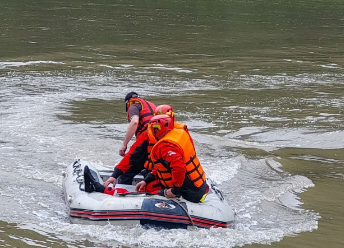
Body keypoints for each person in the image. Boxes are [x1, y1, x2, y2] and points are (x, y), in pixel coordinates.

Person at [85, 105, 177, 194]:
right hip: (157, 174)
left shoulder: (176, 140)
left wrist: (174, 190)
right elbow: (132, 155)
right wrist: (115, 174)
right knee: (133, 180)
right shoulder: (147, 135)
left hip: (173, 182)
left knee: (147, 189)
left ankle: (103, 190)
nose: (157, 129)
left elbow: (179, 167)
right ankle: (105, 190)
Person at [135, 115, 208, 203]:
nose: (153, 132)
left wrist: (174, 191)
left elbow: (179, 168)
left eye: (154, 129)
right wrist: (146, 180)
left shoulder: (166, 146)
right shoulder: (179, 134)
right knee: (150, 186)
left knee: (149, 196)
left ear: (158, 129)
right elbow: (162, 166)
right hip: (199, 186)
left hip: (189, 192)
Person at [119, 92, 156, 156]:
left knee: (128, 161)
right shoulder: (154, 106)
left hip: (147, 138)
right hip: (159, 137)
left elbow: (135, 122)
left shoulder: (133, 107)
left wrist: (124, 144)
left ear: (128, 103)